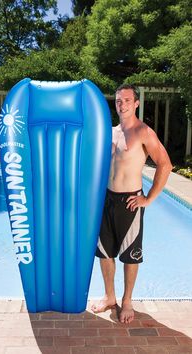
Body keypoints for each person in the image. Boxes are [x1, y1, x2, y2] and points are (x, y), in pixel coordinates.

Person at [91, 84, 172, 324]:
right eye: (118, 101)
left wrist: (148, 198)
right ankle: (109, 296)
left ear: (136, 103)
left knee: (130, 255)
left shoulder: (144, 132)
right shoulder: (110, 132)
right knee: (104, 253)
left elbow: (165, 164)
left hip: (130, 201)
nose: (122, 104)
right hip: (106, 199)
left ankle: (127, 301)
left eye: (127, 100)